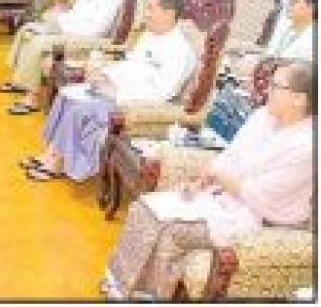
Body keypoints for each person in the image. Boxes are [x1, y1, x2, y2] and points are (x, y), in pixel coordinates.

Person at [103, 60, 314, 300]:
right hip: (225, 198)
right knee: (145, 207)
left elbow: (259, 197)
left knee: (170, 228)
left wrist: (218, 178)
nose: (267, 90)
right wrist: (200, 183)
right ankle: (123, 288)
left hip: (260, 219)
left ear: (300, 99)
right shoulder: (262, 116)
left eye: (276, 86)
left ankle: (150, 296)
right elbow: (230, 156)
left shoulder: (307, 146)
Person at [20, 0, 196, 181]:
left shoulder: (180, 50)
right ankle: (52, 153)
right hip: (113, 89)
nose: (146, 14)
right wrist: (105, 75)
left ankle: (59, 163)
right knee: (66, 95)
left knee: (80, 109)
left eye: (151, 8)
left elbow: (163, 93)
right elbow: (129, 64)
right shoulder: (149, 35)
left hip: (132, 102)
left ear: (169, 13)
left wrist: (116, 94)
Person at [0, 0, 125, 115]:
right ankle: (20, 81)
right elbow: (77, 13)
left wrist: (61, 25)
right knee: (27, 29)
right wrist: (59, 17)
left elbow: (97, 28)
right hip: (72, 28)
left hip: (88, 38)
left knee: (37, 42)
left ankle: (32, 98)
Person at [207, 0, 316, 140]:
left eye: (295, 1)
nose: (288, 4)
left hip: (288, 95)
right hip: (267, 85)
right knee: (223, 98)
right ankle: (215, 142)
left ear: (312, 7)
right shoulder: (287, 30)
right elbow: (269, 57)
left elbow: (304, 75)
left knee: (233, 107)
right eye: (289, 0)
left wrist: (265, 72)